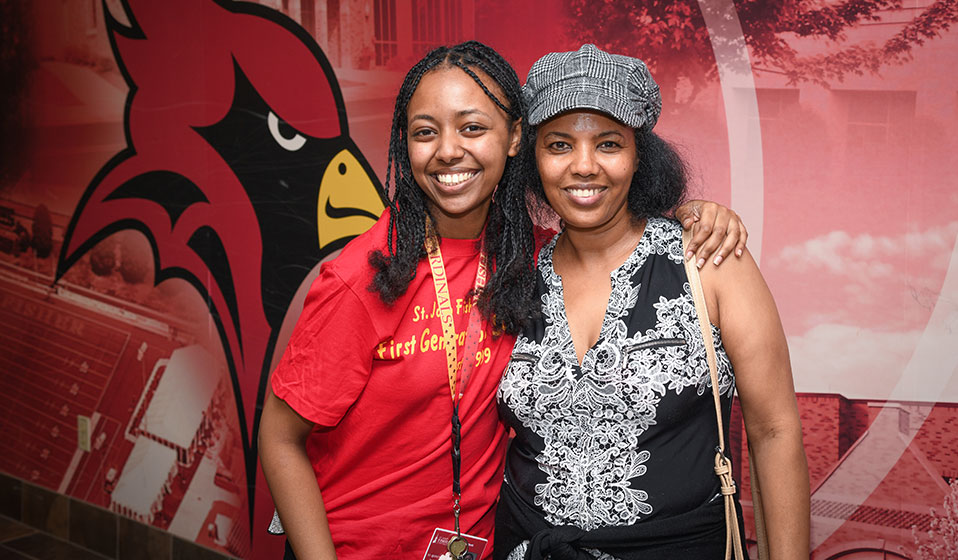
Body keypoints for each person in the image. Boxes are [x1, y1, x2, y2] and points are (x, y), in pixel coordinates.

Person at [258, 41, 747, 560]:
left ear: (515, 138)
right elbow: (279, 437)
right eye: (426, 132)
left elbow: (614, 237)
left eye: (472, 128)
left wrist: (697, 214)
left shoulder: (533, 259)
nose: (449, 150)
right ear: (405, 145)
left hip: (489, 547)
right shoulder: (364, 277)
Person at [494, 45, 810, 560]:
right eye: (558, 145)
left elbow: (774, 432)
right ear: (533, 158)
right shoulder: (515, 272)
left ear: (641, 155)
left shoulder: (709, 261)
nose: (584, 166)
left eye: (609, 143)